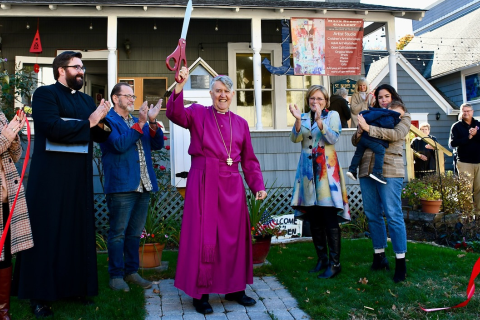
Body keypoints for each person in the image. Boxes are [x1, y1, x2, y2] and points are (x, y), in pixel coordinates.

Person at [12, 51, 111, 318]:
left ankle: (75, 288)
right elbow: (51, 126)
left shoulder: (86, 99)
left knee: (76, 229)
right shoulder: (45, 95)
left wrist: (101, 120)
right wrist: (89, 122)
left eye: (82, 67)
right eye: (76, 67)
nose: (81, 71)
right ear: (61, 70)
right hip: (50, 177)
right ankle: (40, 295)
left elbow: (97, 134)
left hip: (78, 176)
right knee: (47, 230)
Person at [166, 68, 267, 315]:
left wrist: (257, 185)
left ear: (232, 95)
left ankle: (234, 289)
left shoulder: (241, 124)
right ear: (210, 93)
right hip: (204, 182)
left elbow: (249, 160)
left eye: (226, 92)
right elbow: (174, 113)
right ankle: (201, 293)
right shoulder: (198, 114)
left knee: (233, 238)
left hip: (232, 184)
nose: (222, 95)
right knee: (204, 238)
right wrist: (179, 85)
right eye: (218, 91)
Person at [100, 83, 164, 292]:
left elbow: (157, 145)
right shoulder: (106, 121)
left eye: (133, 96)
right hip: (121, 186)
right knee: (118, 233)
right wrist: (142, 124)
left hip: (143, 185)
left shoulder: (139, 121)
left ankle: (131, 272)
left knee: (134, 233)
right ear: (115, 98)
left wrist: (152, 122)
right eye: (127, 96)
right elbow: (118, 145)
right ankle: (116, 276)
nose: (131, 99)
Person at [289, 85, 350, 279]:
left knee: (329, 215)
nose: (316, 102)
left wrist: (320, 122)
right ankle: (322, 259)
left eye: (320, 99)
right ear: (308, 100)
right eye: (312, 98)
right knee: (315, 217)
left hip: (326, 172)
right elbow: (294, 138)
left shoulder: (332, 115)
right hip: (308, 173)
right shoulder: (304, 117)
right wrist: (298, 119)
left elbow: (333, 138)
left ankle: (335, 263)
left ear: (326, 101)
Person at [351, 83, 411, 283]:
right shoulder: (370, 114)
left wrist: (370, 129)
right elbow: (355, 140)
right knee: (372, 214)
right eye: (380, 97)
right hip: (366, 169)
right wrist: (360, 130)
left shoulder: (402, 115)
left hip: (390, 170)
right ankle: (379, 257)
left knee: (393, 214)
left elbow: (396, 135)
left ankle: (400, 262)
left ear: (393, 96)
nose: (383, 100)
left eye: (387, 96)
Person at [0, 110, 32, 320]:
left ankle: (3, 310)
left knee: (5, 253)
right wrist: (7, 134)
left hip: (6, 196)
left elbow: (15, 155)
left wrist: (15, 133)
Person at [347, 101, 406, 184]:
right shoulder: (389, 115)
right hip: (372, 139)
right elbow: (388, 125)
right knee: (380, 151)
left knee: (358, 153)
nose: (399, 118)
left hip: (363, 138)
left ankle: (352, 170)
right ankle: (377, 172)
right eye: (399, 114)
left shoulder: (374, 112)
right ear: (390, 109)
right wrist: (395, 122)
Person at [449, 103, 480, 216]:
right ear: (461, 112)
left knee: (479, 190)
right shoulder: (456, 126)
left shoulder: (478, 124)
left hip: (478, 161)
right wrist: (468, 138)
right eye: (464, 111)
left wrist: (476, 134)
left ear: (472, 112)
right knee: (466, 190)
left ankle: (478, 215)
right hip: (464, 162)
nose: (466, 113)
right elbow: (452, 143)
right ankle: (467, 216)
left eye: (468, 111)